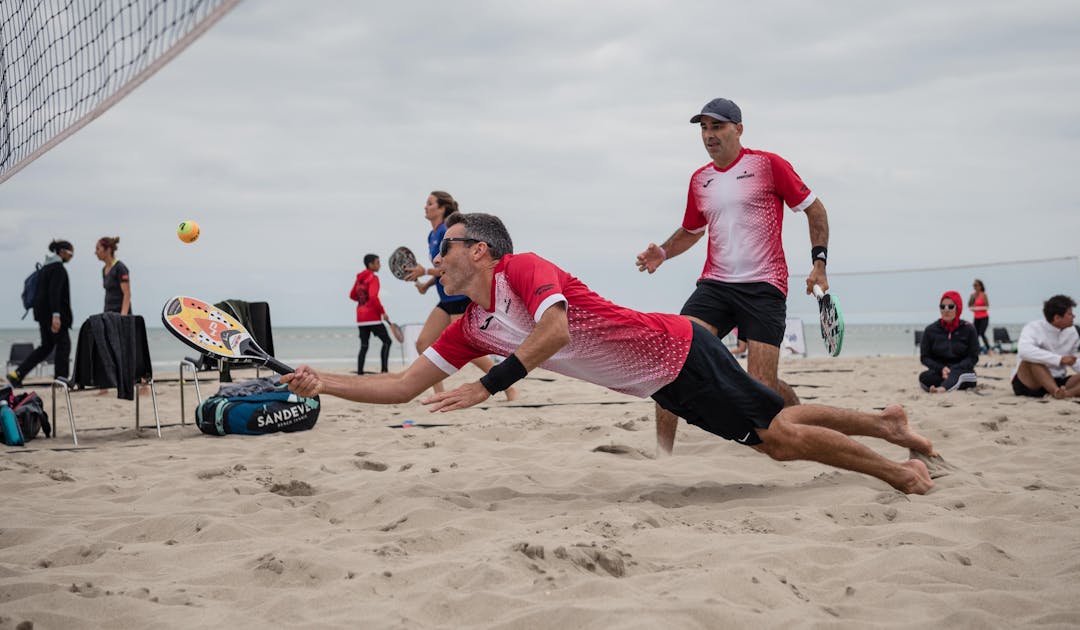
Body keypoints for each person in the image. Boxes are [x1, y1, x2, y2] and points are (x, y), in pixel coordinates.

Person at [283, 212, 935, 495]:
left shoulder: (525, 270)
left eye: (445, 246)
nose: (435, 258)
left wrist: (489, 386)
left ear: (479, 251)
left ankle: (899, 473)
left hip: (677, 352)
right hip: (664, 382)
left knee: (782, 436)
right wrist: (324, 383)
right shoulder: (469, 327)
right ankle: (885, 425)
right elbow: (402, 388)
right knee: (773, 429)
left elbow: (556, 332)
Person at [636, 97, 830, 455]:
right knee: (670, 364)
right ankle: (662, 458)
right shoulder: (700, 180)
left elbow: (814, 209)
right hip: (715, 287)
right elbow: (692, 231)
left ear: (738, 129)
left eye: (718, 126)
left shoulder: (768, 166)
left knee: (761, 390)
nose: (710, 135)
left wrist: (819, 264)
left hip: (764, 287)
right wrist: (662, 253)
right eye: (704, 128)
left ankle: (799, 418)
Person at [403, 191, 517, 400]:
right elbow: (442, 268)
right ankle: (439, 394)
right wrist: (427, 284)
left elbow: (457, 267)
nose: (425, 207)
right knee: (423, 343)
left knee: (470, 349)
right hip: (445, 300)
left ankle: (507, 385)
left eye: (430, 203)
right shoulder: (432, 235)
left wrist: (425, 272)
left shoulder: (449, 231)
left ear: (442, 208)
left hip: (459, 299)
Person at [6, 240, 74, 388]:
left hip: (41, 314)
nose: (72, 257)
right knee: (63, 345)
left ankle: (17, 374)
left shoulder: (45, 268)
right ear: (62, 252)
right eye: (71, 253)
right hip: (53, 315)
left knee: (46, 346)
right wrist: (56, 316)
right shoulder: (58, 268)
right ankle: (61, 381)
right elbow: (54, 293)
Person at [1011, 294, 1080, 399]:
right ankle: (1055, 392)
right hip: (1032, 381)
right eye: (1069, 314)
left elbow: (1073, 361)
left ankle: (1066, 394)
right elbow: (1024, 351)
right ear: (1057, 318)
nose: (1074, 317)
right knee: (1032, 360)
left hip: (1059, 380)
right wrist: (1059, 359)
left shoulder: (1072, 332)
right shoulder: (1033, 327)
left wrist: (1071, 361)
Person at [919, 291, 979, 392]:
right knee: (924, 377)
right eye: (942, 307)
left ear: (958, 308)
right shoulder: (930, 330)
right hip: (940, 371)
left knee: (959, 375)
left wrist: (954, 369)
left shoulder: (969, 329)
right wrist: (941, 368)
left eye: (951, 307)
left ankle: (942, 389)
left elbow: (973, 357)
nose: (946, 310)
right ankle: (947, 384)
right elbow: (925, 357)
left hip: (963, 371)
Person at [351, 253, 392, 374]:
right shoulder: (373, 278)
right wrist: (383, 312)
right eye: (377, 262)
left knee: (364, 345)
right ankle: (384, 370)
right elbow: (373, 297)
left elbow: (352, 295)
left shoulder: (359, 279)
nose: (379, 265)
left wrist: (362, 301)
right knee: (387, 342)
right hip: (372, 317)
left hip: (361, 317)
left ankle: (360, 372)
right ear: (371, 264)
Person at [96, 236, 131, 314]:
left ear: (108, 250)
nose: (96, 252)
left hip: (120, 315)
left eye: (98, 249)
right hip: (108, 314)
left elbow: (127, 294)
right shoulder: (104, 269)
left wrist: (123, 316)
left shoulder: (120, 267)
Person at [968, 279, 990, 352]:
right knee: (975, 334)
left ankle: (989, 349)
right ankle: (976, 350)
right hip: (976, 317)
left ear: (980, 286)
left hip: (984, 317)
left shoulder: (983, 295)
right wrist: (973, 307)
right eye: (974, 285)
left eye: (976, 285)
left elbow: (987, 306)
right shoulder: (972, 295)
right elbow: (970, 306)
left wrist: (978, 308)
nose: (975, 287)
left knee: (982, 333)